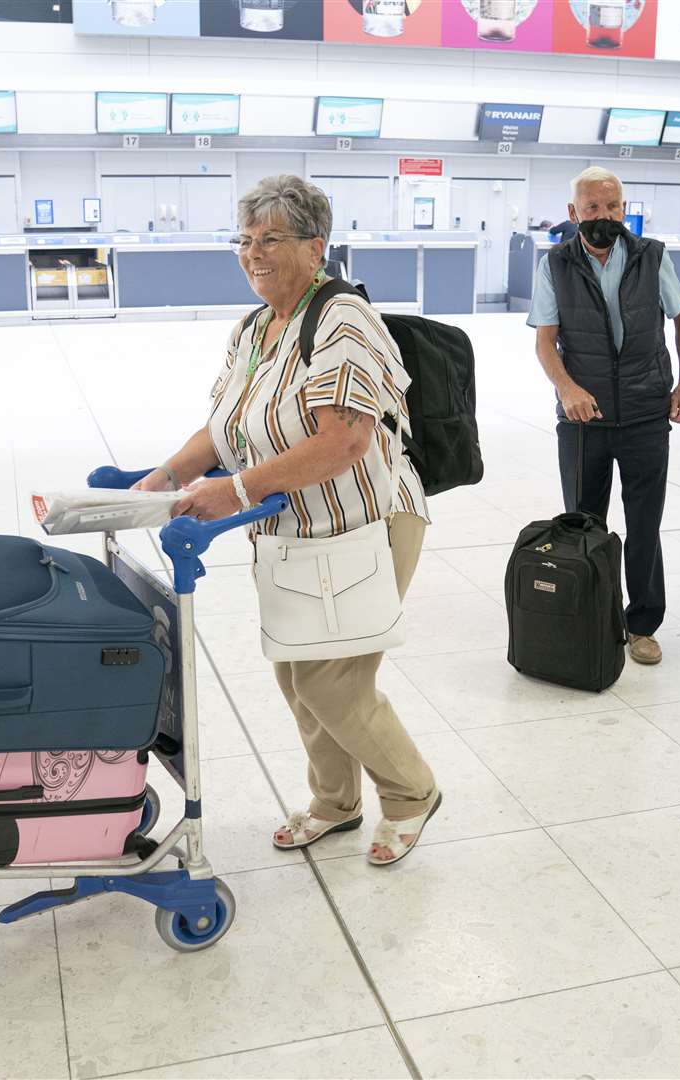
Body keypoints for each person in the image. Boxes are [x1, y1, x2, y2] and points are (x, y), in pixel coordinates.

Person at [135, 175, 441, 866]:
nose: (253, 254)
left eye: (270, 239)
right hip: (294, 530)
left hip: (366, 522)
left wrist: (235, 490)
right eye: (244, 241)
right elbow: (223, 427)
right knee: (294, 675)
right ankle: (335, 802)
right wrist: (159, 481)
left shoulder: (341, 320)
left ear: (314, 246)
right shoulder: (251, 328)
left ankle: (410, 792)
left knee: (333, 681)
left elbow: (345, 441)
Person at [529, 166, 680, 666]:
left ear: (625, 208)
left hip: (647, 413)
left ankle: (642, 624)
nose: (604, 217)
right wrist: (567, 388)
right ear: (573, 213)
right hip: (584, 421)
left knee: (645, 525)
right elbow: (545, 341)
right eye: (593, 208)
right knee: (584, 525)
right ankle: (592, 620)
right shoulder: (554, 265)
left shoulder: (652, 257)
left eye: (612, 207)